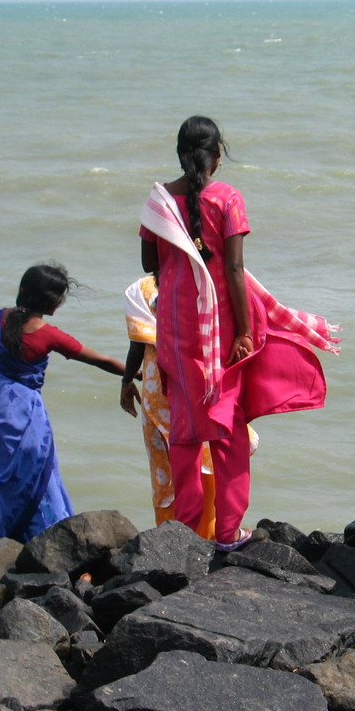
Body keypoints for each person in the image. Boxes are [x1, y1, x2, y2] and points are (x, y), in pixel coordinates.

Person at [139, 116, 339, 552]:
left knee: (186, 430)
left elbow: (147, 263)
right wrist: (245, 330)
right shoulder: (227, 199)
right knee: (227, 427)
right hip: (222, 326)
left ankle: (189, 533)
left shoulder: (158, 201)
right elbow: (233, 267)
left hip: (175, 325)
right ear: (216, 156)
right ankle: (228, 531)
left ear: (178, 152)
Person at [0, 263, 126, 547]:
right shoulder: (49, 335)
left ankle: (4, 543)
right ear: (54, 304)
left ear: (21, 290)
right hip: (22, 417)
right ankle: (50, 543)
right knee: (39, 478)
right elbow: (100, 360)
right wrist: (138, 373)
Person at [120, 273, 260, 537]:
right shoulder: (209, 280)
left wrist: (127, 381)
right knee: (207, 459)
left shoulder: (140, 289)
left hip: (158, 388)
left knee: (165, 467)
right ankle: (213, 534)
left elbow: (137, 346)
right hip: (202, 384)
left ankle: (170, 539)